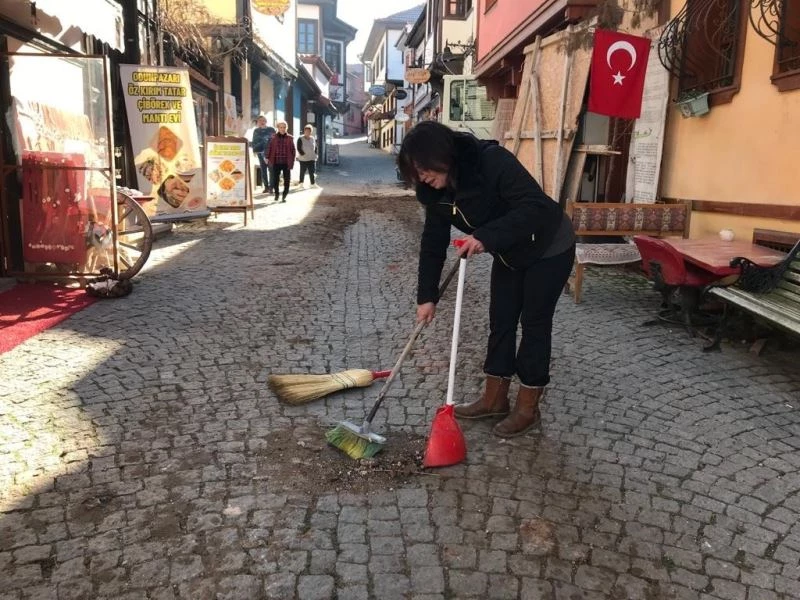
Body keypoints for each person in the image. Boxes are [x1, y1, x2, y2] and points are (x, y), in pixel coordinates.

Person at [396, 121, 576, 438]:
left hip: (550, 245)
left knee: (534, 324)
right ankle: (494, 399)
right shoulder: (435, 193)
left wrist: (486, 236)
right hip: (509, 252)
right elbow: (433, 244)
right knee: (501, 320)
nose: (422, 178)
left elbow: (534, 206)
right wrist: (427, 296)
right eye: (416, 173)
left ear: (442, 154)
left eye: (423, 169)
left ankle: (527, 407)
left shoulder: (491, 162)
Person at [266, 120, 295, 202]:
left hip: (286, 162)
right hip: (276, 161)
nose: (282, 129)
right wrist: (267, 157)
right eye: (281, 127)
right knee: (276, 179)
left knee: (287, 180)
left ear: (286, 128)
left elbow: (293, 150)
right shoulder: (273, 137)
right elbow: (269, 147)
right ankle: (277, 194)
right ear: (278, 128)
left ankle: (284, 195)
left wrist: (292, 160)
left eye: (284, 127)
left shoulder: (290, 138)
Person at [251, 116, 275, 193]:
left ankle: (271, 187)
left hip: (270, 153)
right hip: (260, 153)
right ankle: (266, 187)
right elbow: (254, 141)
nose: (262, 122)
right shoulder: (256, 131)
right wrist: (255, 150)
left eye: (263, 120)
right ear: (258, 122)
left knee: (271, 170)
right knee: (263, 170)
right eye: (260, 120)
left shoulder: (271, 129)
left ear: (266, 121)